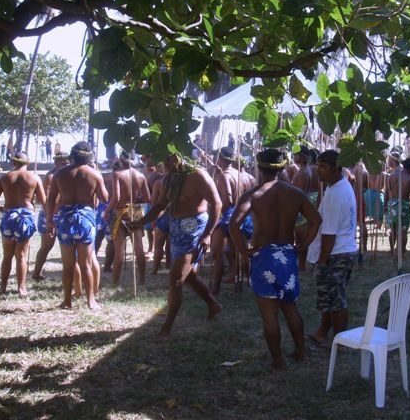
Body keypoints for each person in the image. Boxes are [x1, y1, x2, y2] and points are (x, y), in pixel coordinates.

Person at [229, 148, 321, 370]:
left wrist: (243, 250)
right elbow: (316, 220)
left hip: (262, 255)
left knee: (269, 313)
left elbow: (233, 224)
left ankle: (278, 360)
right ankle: (300, 353)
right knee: (290, 308)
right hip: (287, 255)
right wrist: (303, 246)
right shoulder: (295, 194)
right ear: (282, 169)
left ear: (260, 168)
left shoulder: (254, 195)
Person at [131, 153, 222, 340]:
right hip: (176, 226)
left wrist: (207, 235)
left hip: (194, 228)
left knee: (176, 278)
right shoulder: (170, 178)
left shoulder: (198, 175)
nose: (162, 163)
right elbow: (160, 205)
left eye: (166, 159)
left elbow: (217, 203)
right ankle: (213, 304)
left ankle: (166, 327)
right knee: (188, 276)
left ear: (177, 157)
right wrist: (141, 222)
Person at [46, 142, 108, 310]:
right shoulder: (94, 174)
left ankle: (67, 301)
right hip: (85, 220)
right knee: (85, 263)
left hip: (65, 219)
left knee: (68, 265)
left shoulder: (59, 174)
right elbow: (104, 198)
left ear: (72, 155)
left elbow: (50, 199)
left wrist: (50, 220)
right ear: (89, 157)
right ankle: (91, 300)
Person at [306, 149, 358, 349]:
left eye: (323, 167)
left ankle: (339, 340)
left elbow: (329, 233)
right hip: (342, 251)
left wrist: (322, 258)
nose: (319, 171)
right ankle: (322, 332)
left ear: (337, 169)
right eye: (318, 166)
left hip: (336, 253)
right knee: (330, 296)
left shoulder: (336, 193)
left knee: (336, 300)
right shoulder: (338, 186)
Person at [0, 153, 45, 295]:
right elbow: (43, 201)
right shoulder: (34, 177)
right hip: (25, 217)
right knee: (21, 255)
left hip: (9, 216)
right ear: (28, 162)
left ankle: (3, 287)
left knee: (7, 255)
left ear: (13, 162)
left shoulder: (5, 177)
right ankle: (21, 287)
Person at [104, 151, 150, 287]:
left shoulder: (117, 175)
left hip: (120, 213)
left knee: (119, 250)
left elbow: (116, 198)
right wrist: (135, 201)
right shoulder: (141, 176)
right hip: (135, 212)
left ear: (120, 159)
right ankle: (142, 280)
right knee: (139, 248)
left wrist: (107, 211)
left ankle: (115, 283)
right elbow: (147, 198)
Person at [31, 152, 71, 280]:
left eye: (67, 162)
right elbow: (48, 200)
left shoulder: (69, 174)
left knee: (68, 246)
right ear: (56, 163)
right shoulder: (51, 177)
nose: (66, 165)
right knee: (46, 246)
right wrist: (50, 218)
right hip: (50, 215)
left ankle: (69, 274)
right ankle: (36, 273)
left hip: (64, 214)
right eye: (62, 163)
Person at [210, 147, 240, 296]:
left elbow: (227, 199)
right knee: (237, 250)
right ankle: (239, 280)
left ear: (220, 159)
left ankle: (215, 287)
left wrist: (217, 212)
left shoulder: (225, 176)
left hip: (227, 216)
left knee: (217, 253)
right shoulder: (240, 174)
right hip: (241, 215)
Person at [385, 157, 410, 262]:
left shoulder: (391, 176)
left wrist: (385, 206)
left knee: (393, 229)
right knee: (403, 231)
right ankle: (401, 252)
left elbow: (387, 193)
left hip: (392, 205)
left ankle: (391, 251)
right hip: (404, 205)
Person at [293, 146, 316, 272]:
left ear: (303, 157)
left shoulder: (303, 172)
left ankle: (301, 265)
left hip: (302, 206)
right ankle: (301, 264)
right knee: (302, 237)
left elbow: (300, 193)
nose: (294, 156)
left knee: (301, 237)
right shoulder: (306, 170)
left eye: (296, 154)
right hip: (306, 204)